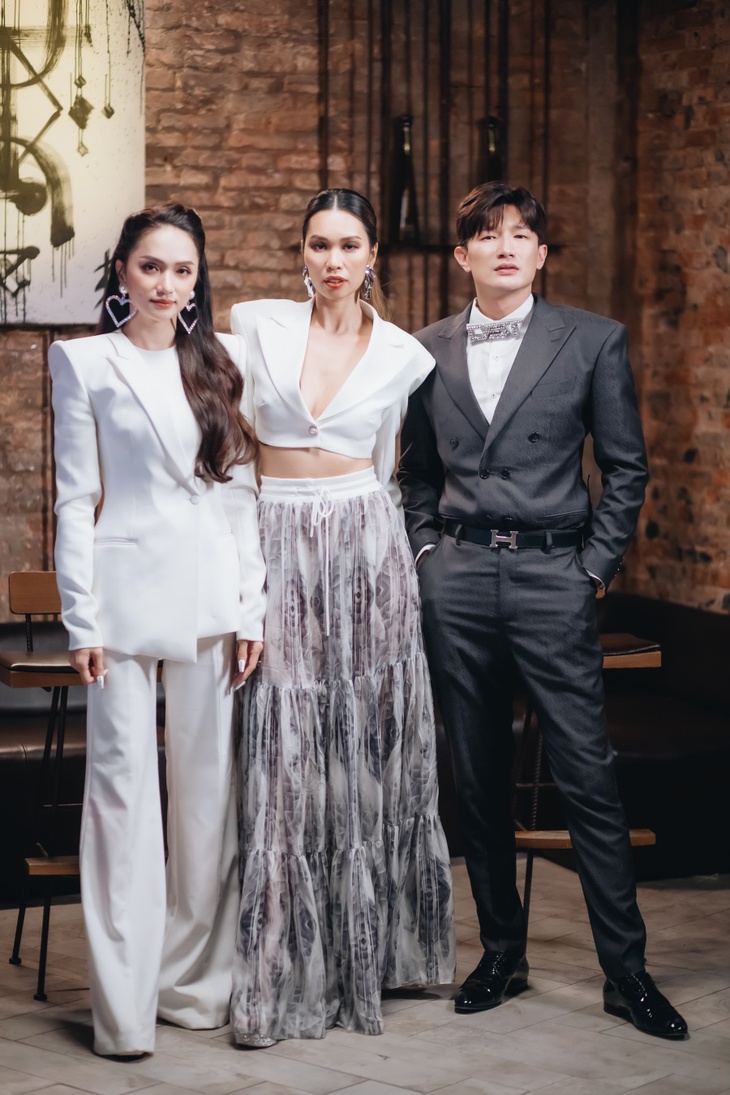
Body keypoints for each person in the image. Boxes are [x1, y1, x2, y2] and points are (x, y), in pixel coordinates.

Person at [398, 181, 688, 1040]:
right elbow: (415, 474)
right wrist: (427, 556)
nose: (506, 247)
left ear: (541, 254)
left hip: (552, 575)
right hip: (457, 580)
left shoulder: (593, 339)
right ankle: (501, 952)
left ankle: (626, 973)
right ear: (463, 255)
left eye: (521, 235)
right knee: (478, 775)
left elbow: (626, 468)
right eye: (489, 236)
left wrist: (591, 569)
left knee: (587, 774)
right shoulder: (424, 351)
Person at [229, 187, 455, 1046]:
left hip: (368, 547)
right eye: (319, 244)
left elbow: (392, 463)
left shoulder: (403, 354)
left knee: (366, 742)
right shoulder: (257, 327)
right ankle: (283, 965)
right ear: (301, 252)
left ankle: (376, 954)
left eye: (348, 244)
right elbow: (235, 449)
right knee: (285, 744)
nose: (333, 260)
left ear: (371, 257)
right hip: (277, 535)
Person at [49, 203, 266, 1058]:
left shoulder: (224, 359)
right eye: (150, 267)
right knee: (120, 802)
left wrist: (251, 607)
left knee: (208, 804)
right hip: (122, 608)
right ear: (122, 272)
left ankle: (192, 987)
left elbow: (241, 496)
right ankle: (124, 1011)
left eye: (182, 270)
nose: (167, 284)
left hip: (214, 606)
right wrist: (80, 616)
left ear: (197, 278)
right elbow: (74, 499)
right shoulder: (83, 361)